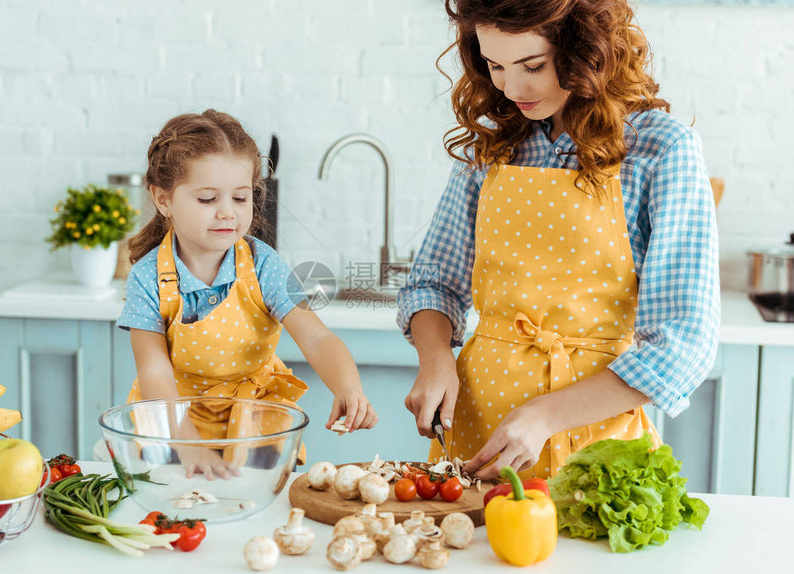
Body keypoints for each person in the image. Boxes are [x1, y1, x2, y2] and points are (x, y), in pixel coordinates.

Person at [397, 0, 719, 481]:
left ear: (587, 50)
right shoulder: (493, 146)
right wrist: (437, 360)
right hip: (476, 426)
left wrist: (546, 415)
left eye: (533, 66)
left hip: (595, 437)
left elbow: (682, 343)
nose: (512, 88)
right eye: (495, 65)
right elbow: (432, 285)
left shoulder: (659, 147)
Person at [118, 109, 377, 478]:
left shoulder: (263, 265)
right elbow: (154, 370)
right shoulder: (146, 278)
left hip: (257, 418)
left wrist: (348, 387)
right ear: (163, 200)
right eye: (208, 199)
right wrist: (187, 444)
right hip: (175, 420)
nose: (227, 213)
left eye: (240, 199)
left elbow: (316, 336)